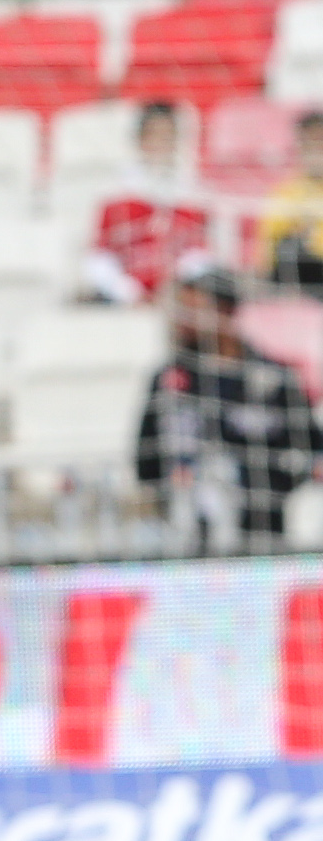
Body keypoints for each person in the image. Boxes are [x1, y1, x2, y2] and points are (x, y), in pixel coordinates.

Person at [136, 253, 323, 549]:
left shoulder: (274, 377)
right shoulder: (170, 380)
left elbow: (312, 450)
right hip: (190, 544)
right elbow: (145, 463)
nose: (182, 317)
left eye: (193, 305)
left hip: (267, 541)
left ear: (223, 309)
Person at [84, 101, 209, 305]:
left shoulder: (192, 197)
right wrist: (126, 290)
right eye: (154, 135)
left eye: (167, 136)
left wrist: (177, 287)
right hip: (124, 301)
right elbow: (99, 259)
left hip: (178, 300)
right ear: (140, 139)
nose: (160, 143)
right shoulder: (115, 197)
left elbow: (200, 255)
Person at [258, 109, 323, 297]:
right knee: (291, 248)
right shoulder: (285, 194)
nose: (317, 152)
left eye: (320, 143)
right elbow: (270, 252)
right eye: (310, 144)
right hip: (305, 278)